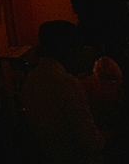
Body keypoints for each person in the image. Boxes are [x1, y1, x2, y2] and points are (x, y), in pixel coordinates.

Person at [22, 20, 103, 164]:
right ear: (67, 49)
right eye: (78, 48)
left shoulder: (30, 79)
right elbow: (89, 140)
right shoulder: (65, 82)